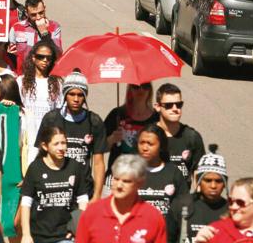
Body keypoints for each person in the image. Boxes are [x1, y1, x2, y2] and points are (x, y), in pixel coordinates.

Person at [75, 154, 167, 243]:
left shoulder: (153, 217)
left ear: (140, 183)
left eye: (126, 181)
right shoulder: (92, 213)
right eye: (116, 179)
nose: (119, 185)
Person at [20, 126, 89, 243]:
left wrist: (78, 228)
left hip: (65, 236)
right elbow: (25, 203)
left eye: (64, 143)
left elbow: (83, 199)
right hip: (39, 237)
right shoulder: (35, 168)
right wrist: (26, 234)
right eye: (56, 144)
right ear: (45, 146)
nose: (61, 148)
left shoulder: (74, 166)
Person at [114, 124, 188, 243]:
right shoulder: (130, 172)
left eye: (150, 144)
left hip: (165, 241)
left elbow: (183, 208)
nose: (145, 148)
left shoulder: (173, 173)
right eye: (142, 143)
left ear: (161, 146)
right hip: (133, 240)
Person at [36, 70, 108, 198]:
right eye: (72, 94)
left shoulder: (94, 121)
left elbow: (98, 162)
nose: (76, 99)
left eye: (80, 95)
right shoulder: (51, 119)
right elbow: (41, 154)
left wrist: (97, 195)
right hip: (54, 188)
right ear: (65, 95)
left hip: (84, 189)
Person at [171, 147, 228, 243]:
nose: (213, 186)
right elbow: (167, 240)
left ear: (225, 183)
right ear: (199, 181)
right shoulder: (181, 204)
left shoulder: (231, 210)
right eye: (208, 180)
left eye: (218, 181)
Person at [155, 83, 205, 185]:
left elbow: (198, 173)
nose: (175, 109)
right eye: (168, 105)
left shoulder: (192, 137)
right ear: (158, 107)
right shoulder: (148, 135)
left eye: (179, 104)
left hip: (182, 194)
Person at [17, 39, 62, 150]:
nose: (45, 60)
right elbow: (17, 107)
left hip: (48, 135)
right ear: (33, 58)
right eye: (41, 57)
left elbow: (59, 110)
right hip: (26, 134)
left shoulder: (57, 83)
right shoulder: (21, 81)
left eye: (49, 58)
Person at [104, 82, 158, 164]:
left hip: (147, 170)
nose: (141, 89)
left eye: (145, 86)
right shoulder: (117, 114)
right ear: (130, 90)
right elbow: (99, 147)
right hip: (119, 169)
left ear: (150, 90)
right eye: (136, 86)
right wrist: (112, 139)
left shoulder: (156, 117)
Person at [9, 0, 62, 71]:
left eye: (41, 13)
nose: (38, 17)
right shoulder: (16, 28)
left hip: (46, 74)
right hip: (23, 74)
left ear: (44, 8)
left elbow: (58, 55)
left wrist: (45, 34)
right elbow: (10, 56)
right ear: (26, 13)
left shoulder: (54, 27)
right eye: (33, 15)